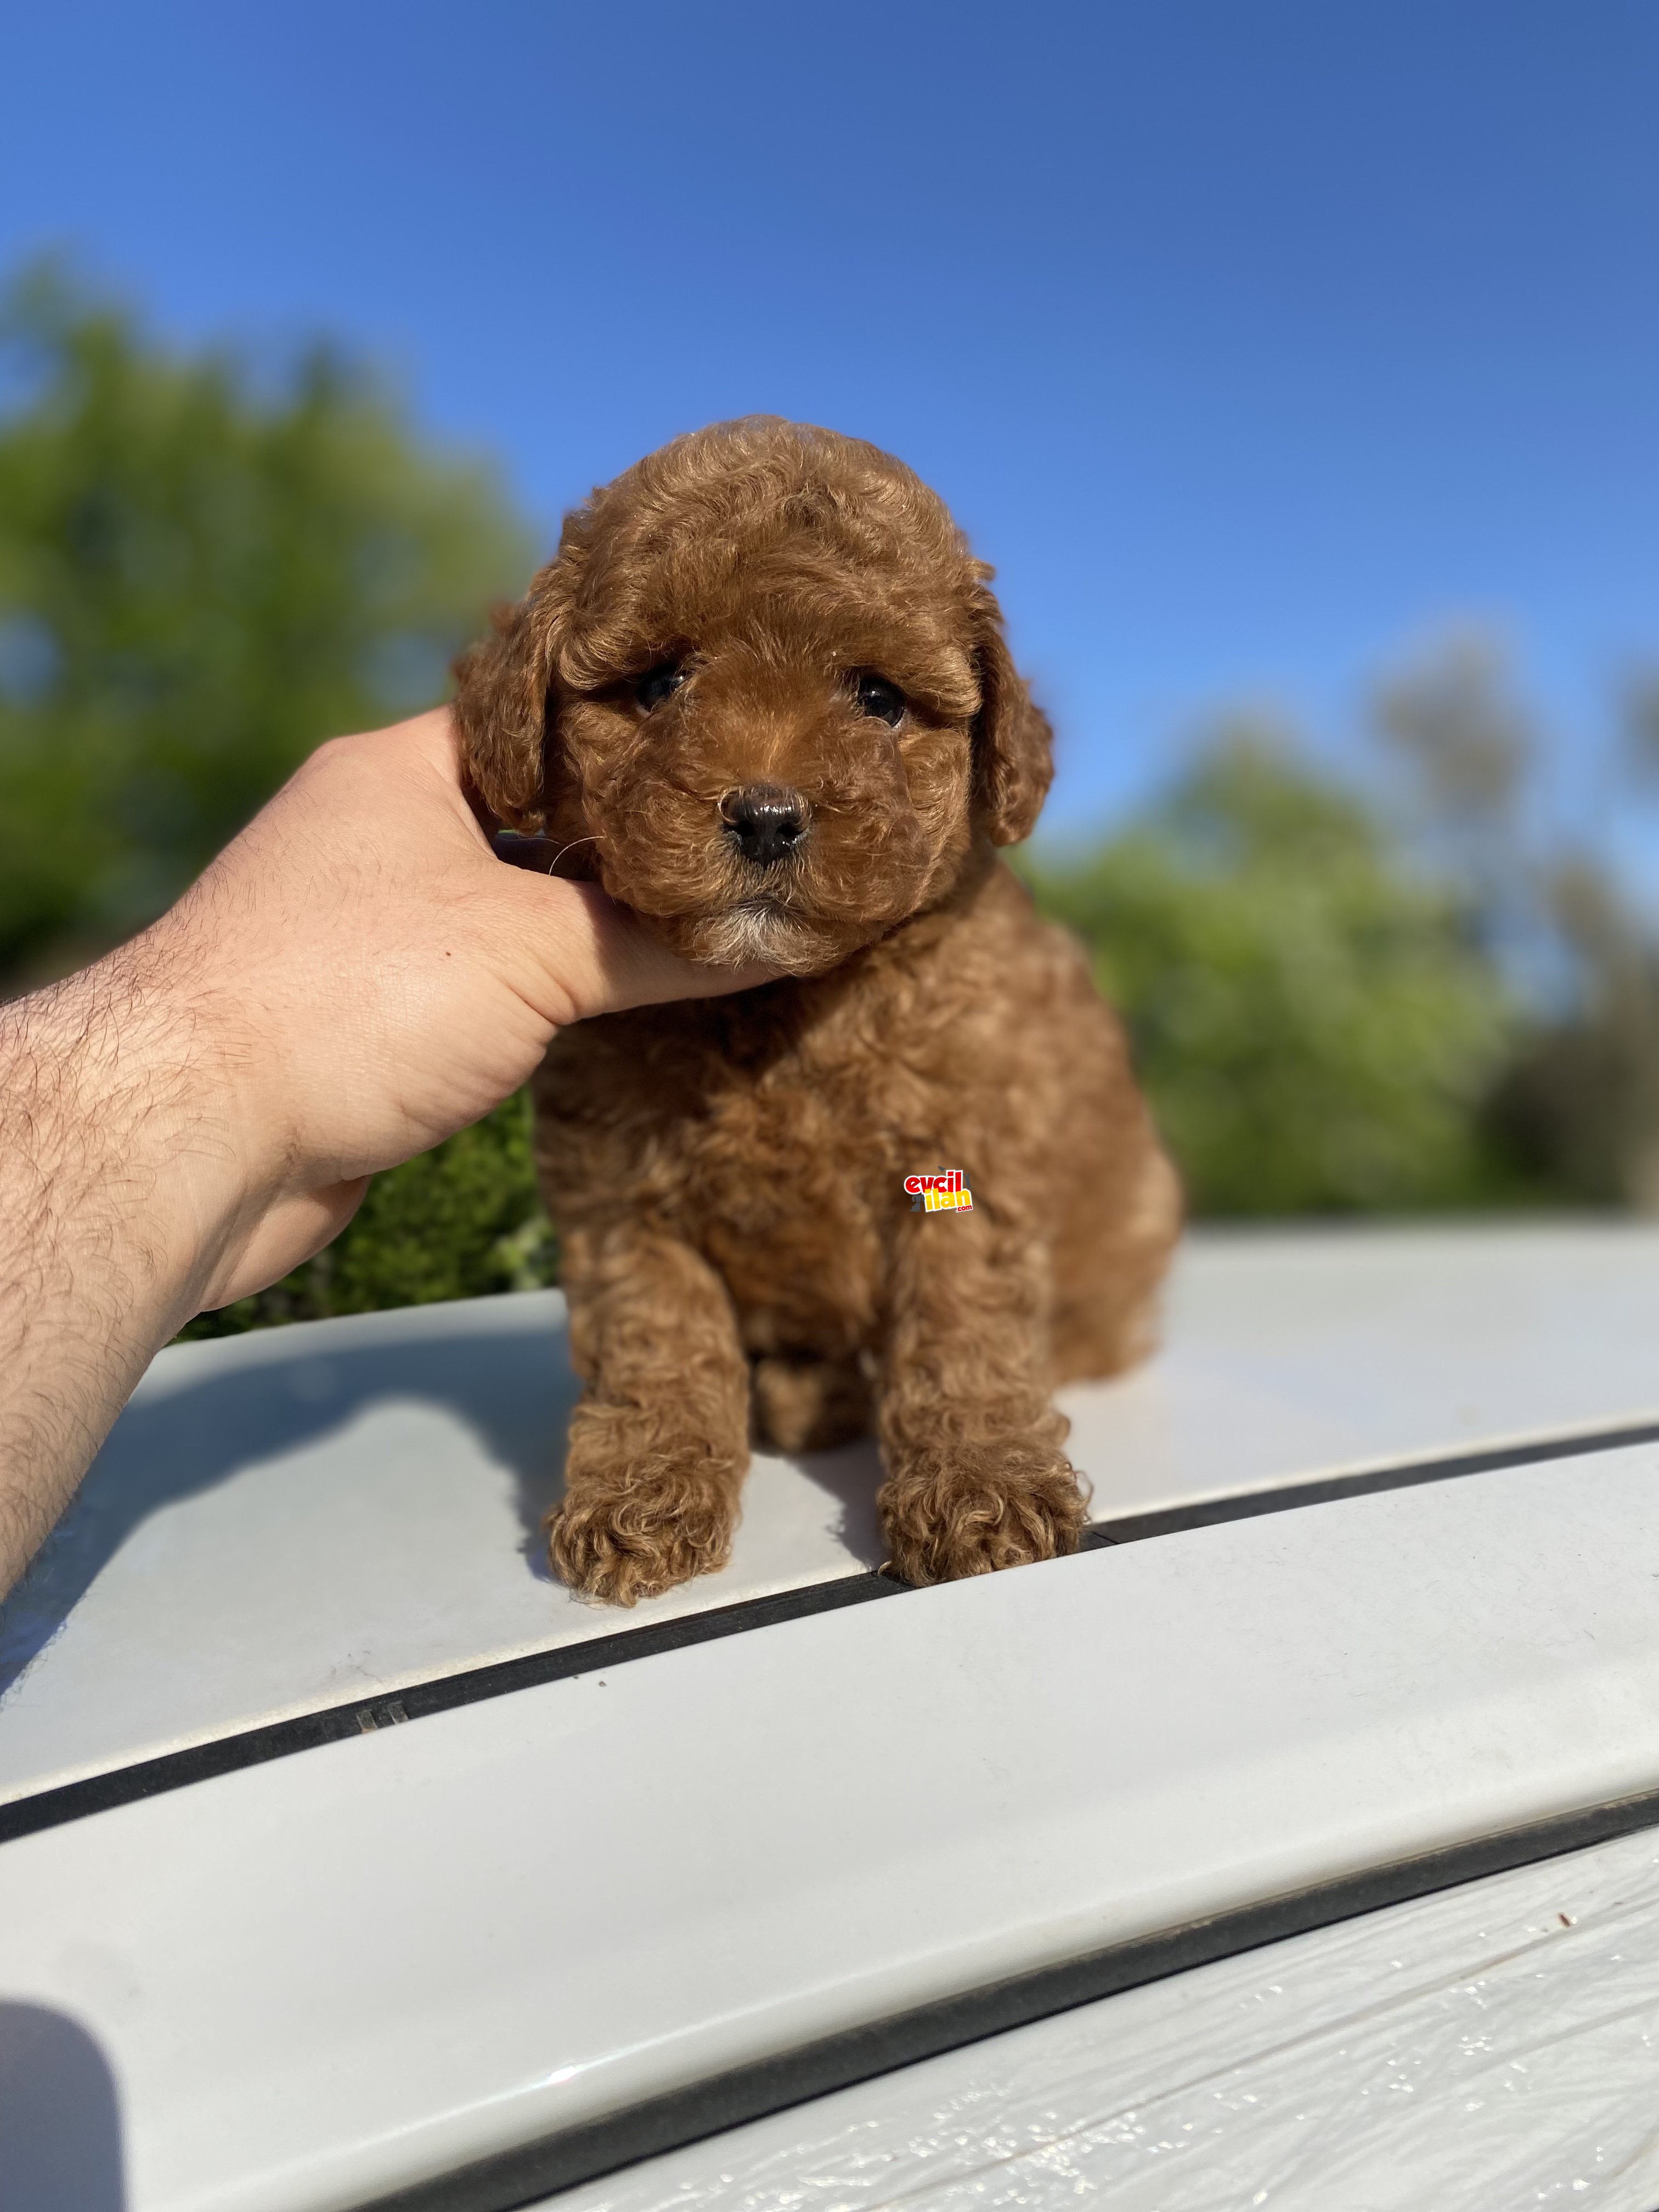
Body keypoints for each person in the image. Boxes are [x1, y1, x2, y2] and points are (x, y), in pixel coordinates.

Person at [0, 708, 760, 1602]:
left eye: (878, 702)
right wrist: (216, 1063)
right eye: (664, 683)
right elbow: (636, 1229)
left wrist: (948, 1294)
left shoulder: (950, 1015)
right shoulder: (608, 1030)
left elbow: (957, 1198)